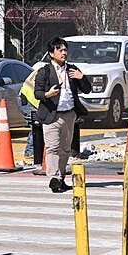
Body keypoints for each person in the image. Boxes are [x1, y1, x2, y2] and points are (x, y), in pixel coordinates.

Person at [34, 37, 92, 193]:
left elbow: (87, 89)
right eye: (60, 50)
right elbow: (37, 93)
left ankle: (60, 178)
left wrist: (82, 78)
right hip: (51, 115)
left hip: (69, 114)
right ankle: (54, 177)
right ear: (52, 54)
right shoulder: (44, 71)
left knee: (65, 149)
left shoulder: (72, 69)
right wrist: (48, 94)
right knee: (52, 147)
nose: (64, 53)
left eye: (65, 50)